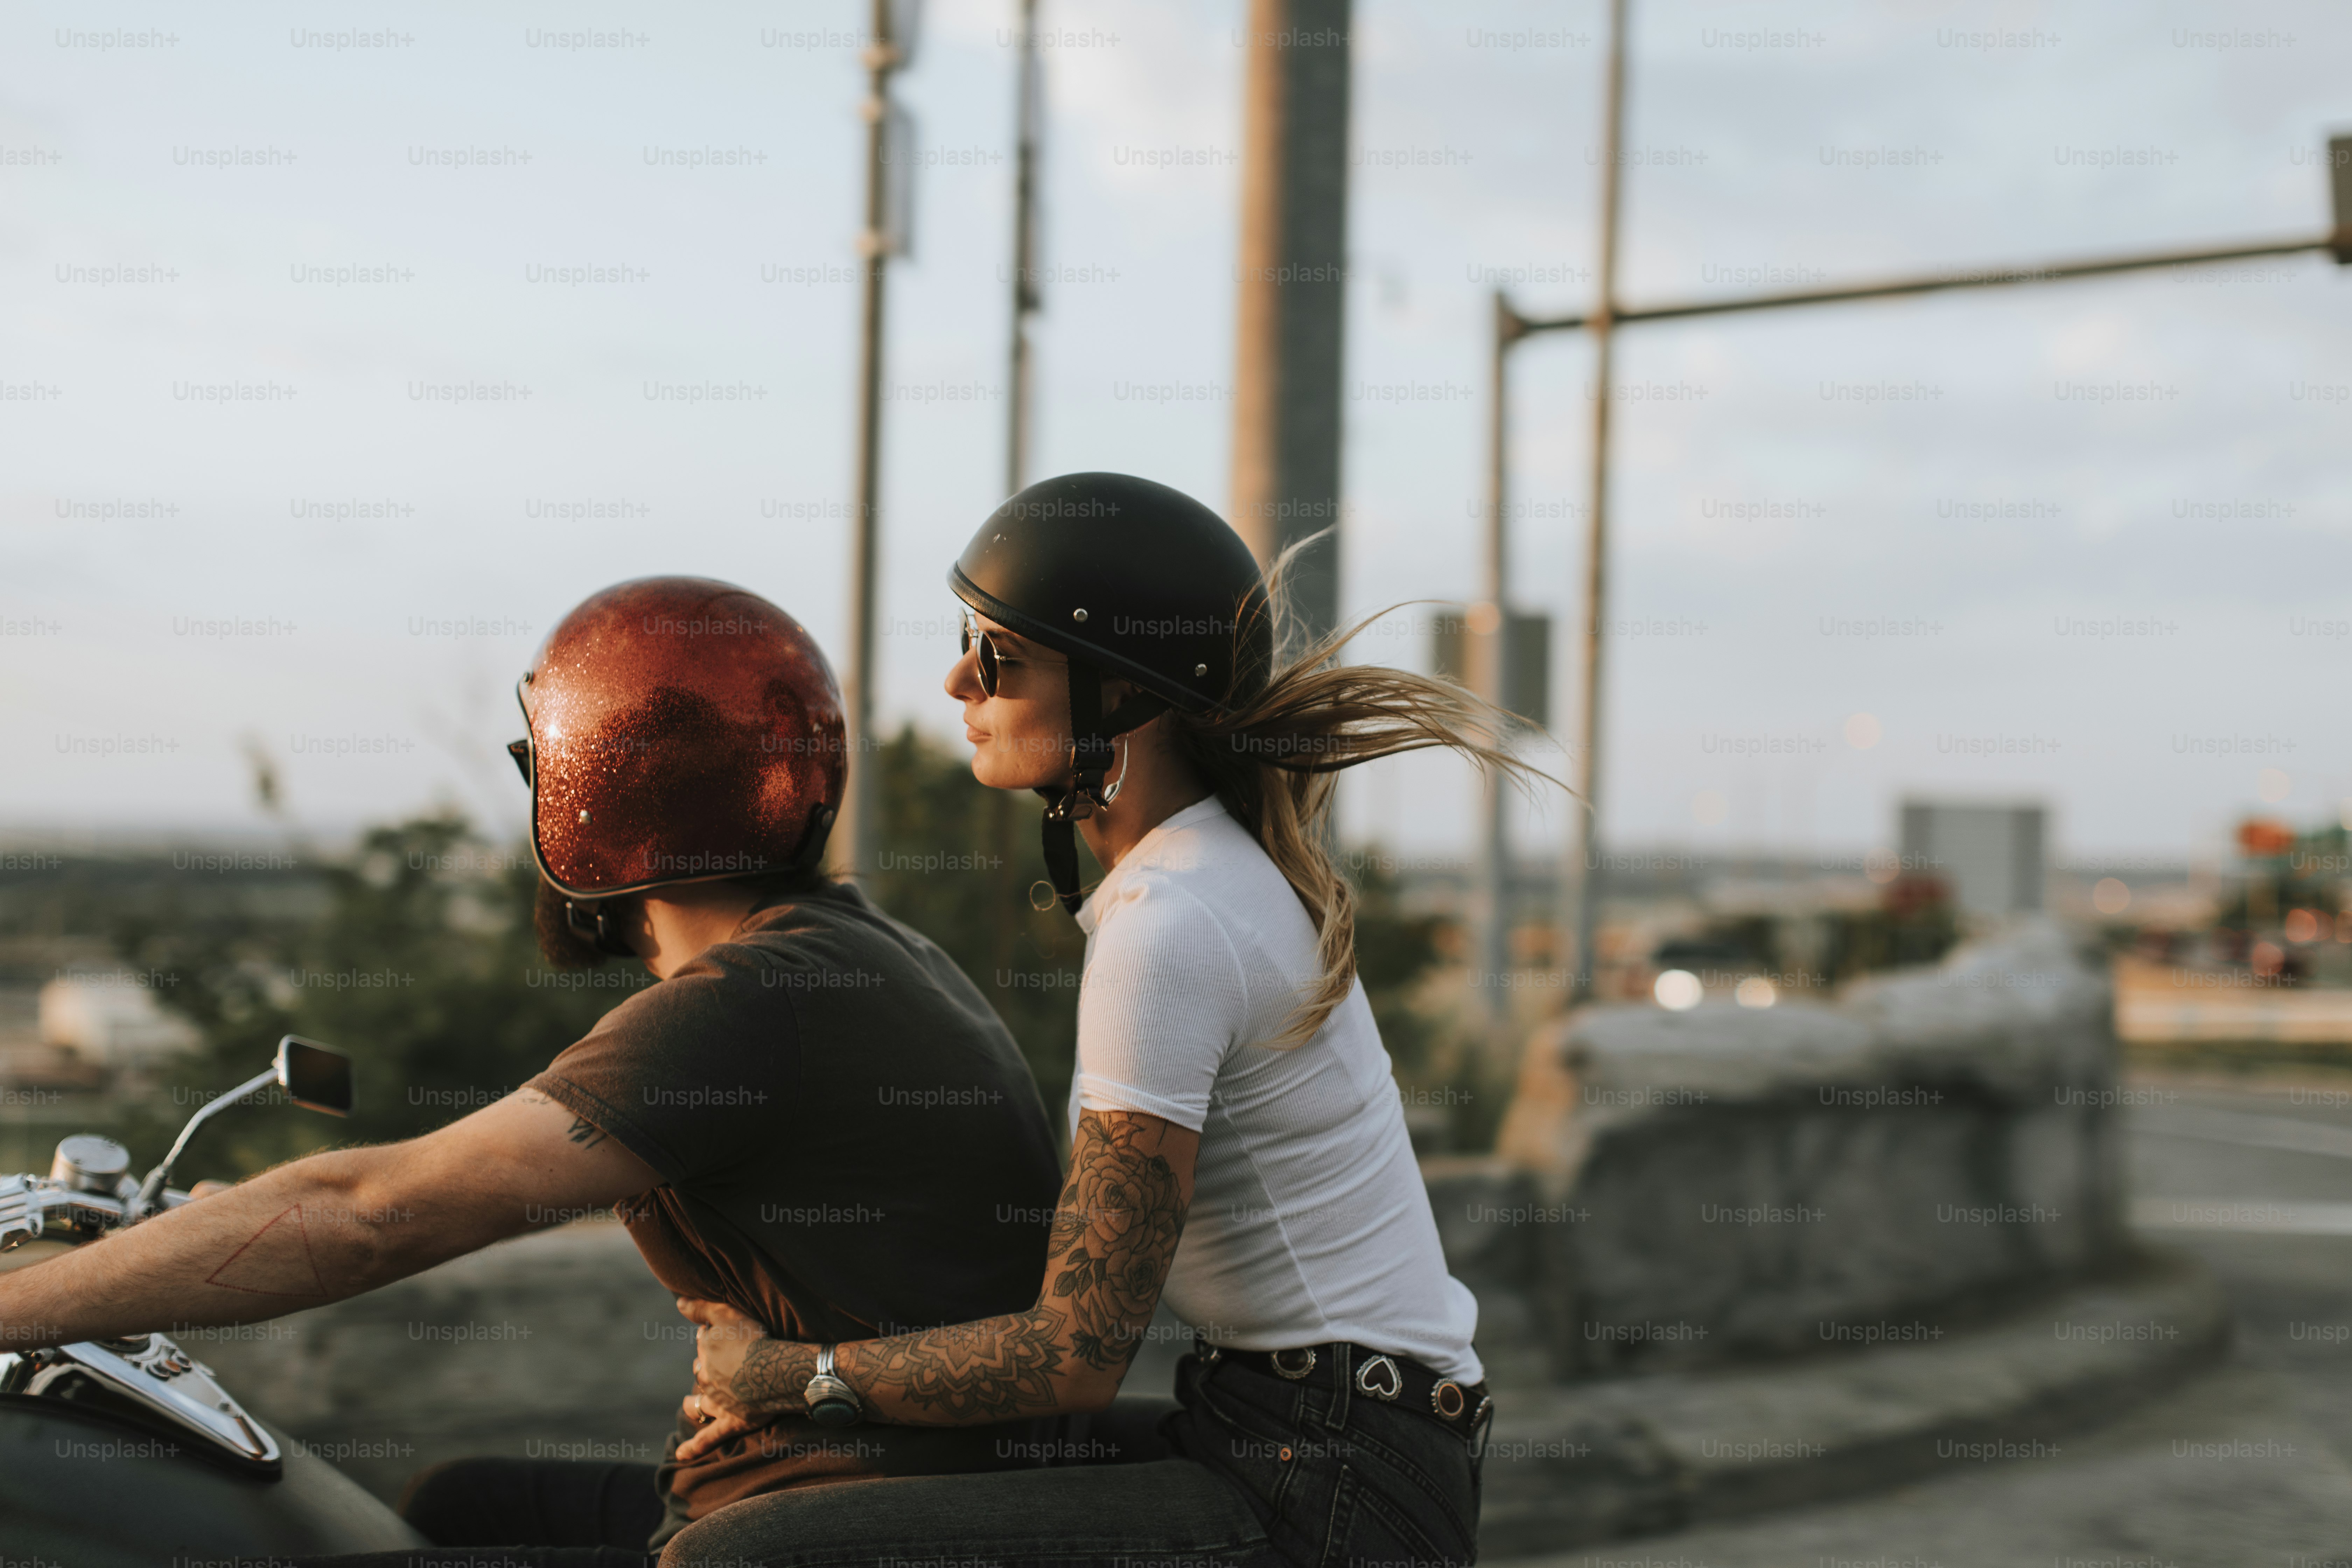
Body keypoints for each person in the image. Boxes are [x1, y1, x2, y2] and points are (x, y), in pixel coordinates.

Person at [0, 576, 1066, 1568]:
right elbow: (481, 1173)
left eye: (540, 771)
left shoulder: (745, 1004)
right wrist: (218, 1228)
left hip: (799, 1527)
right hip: (863, 1497)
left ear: (593, 794)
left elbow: (373, 1212)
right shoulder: (860, 947)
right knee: (456, 1503)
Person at [664, 473, 1549, 1568]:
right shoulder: (1206, 872)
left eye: (999, 658)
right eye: (967, 642)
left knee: (742, 1559)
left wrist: (787, 1376)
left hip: (1332, 1486)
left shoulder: (1170, 920)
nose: (956, 681)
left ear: (1127, 695)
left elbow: (1073, 1358)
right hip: (1302, 1434)